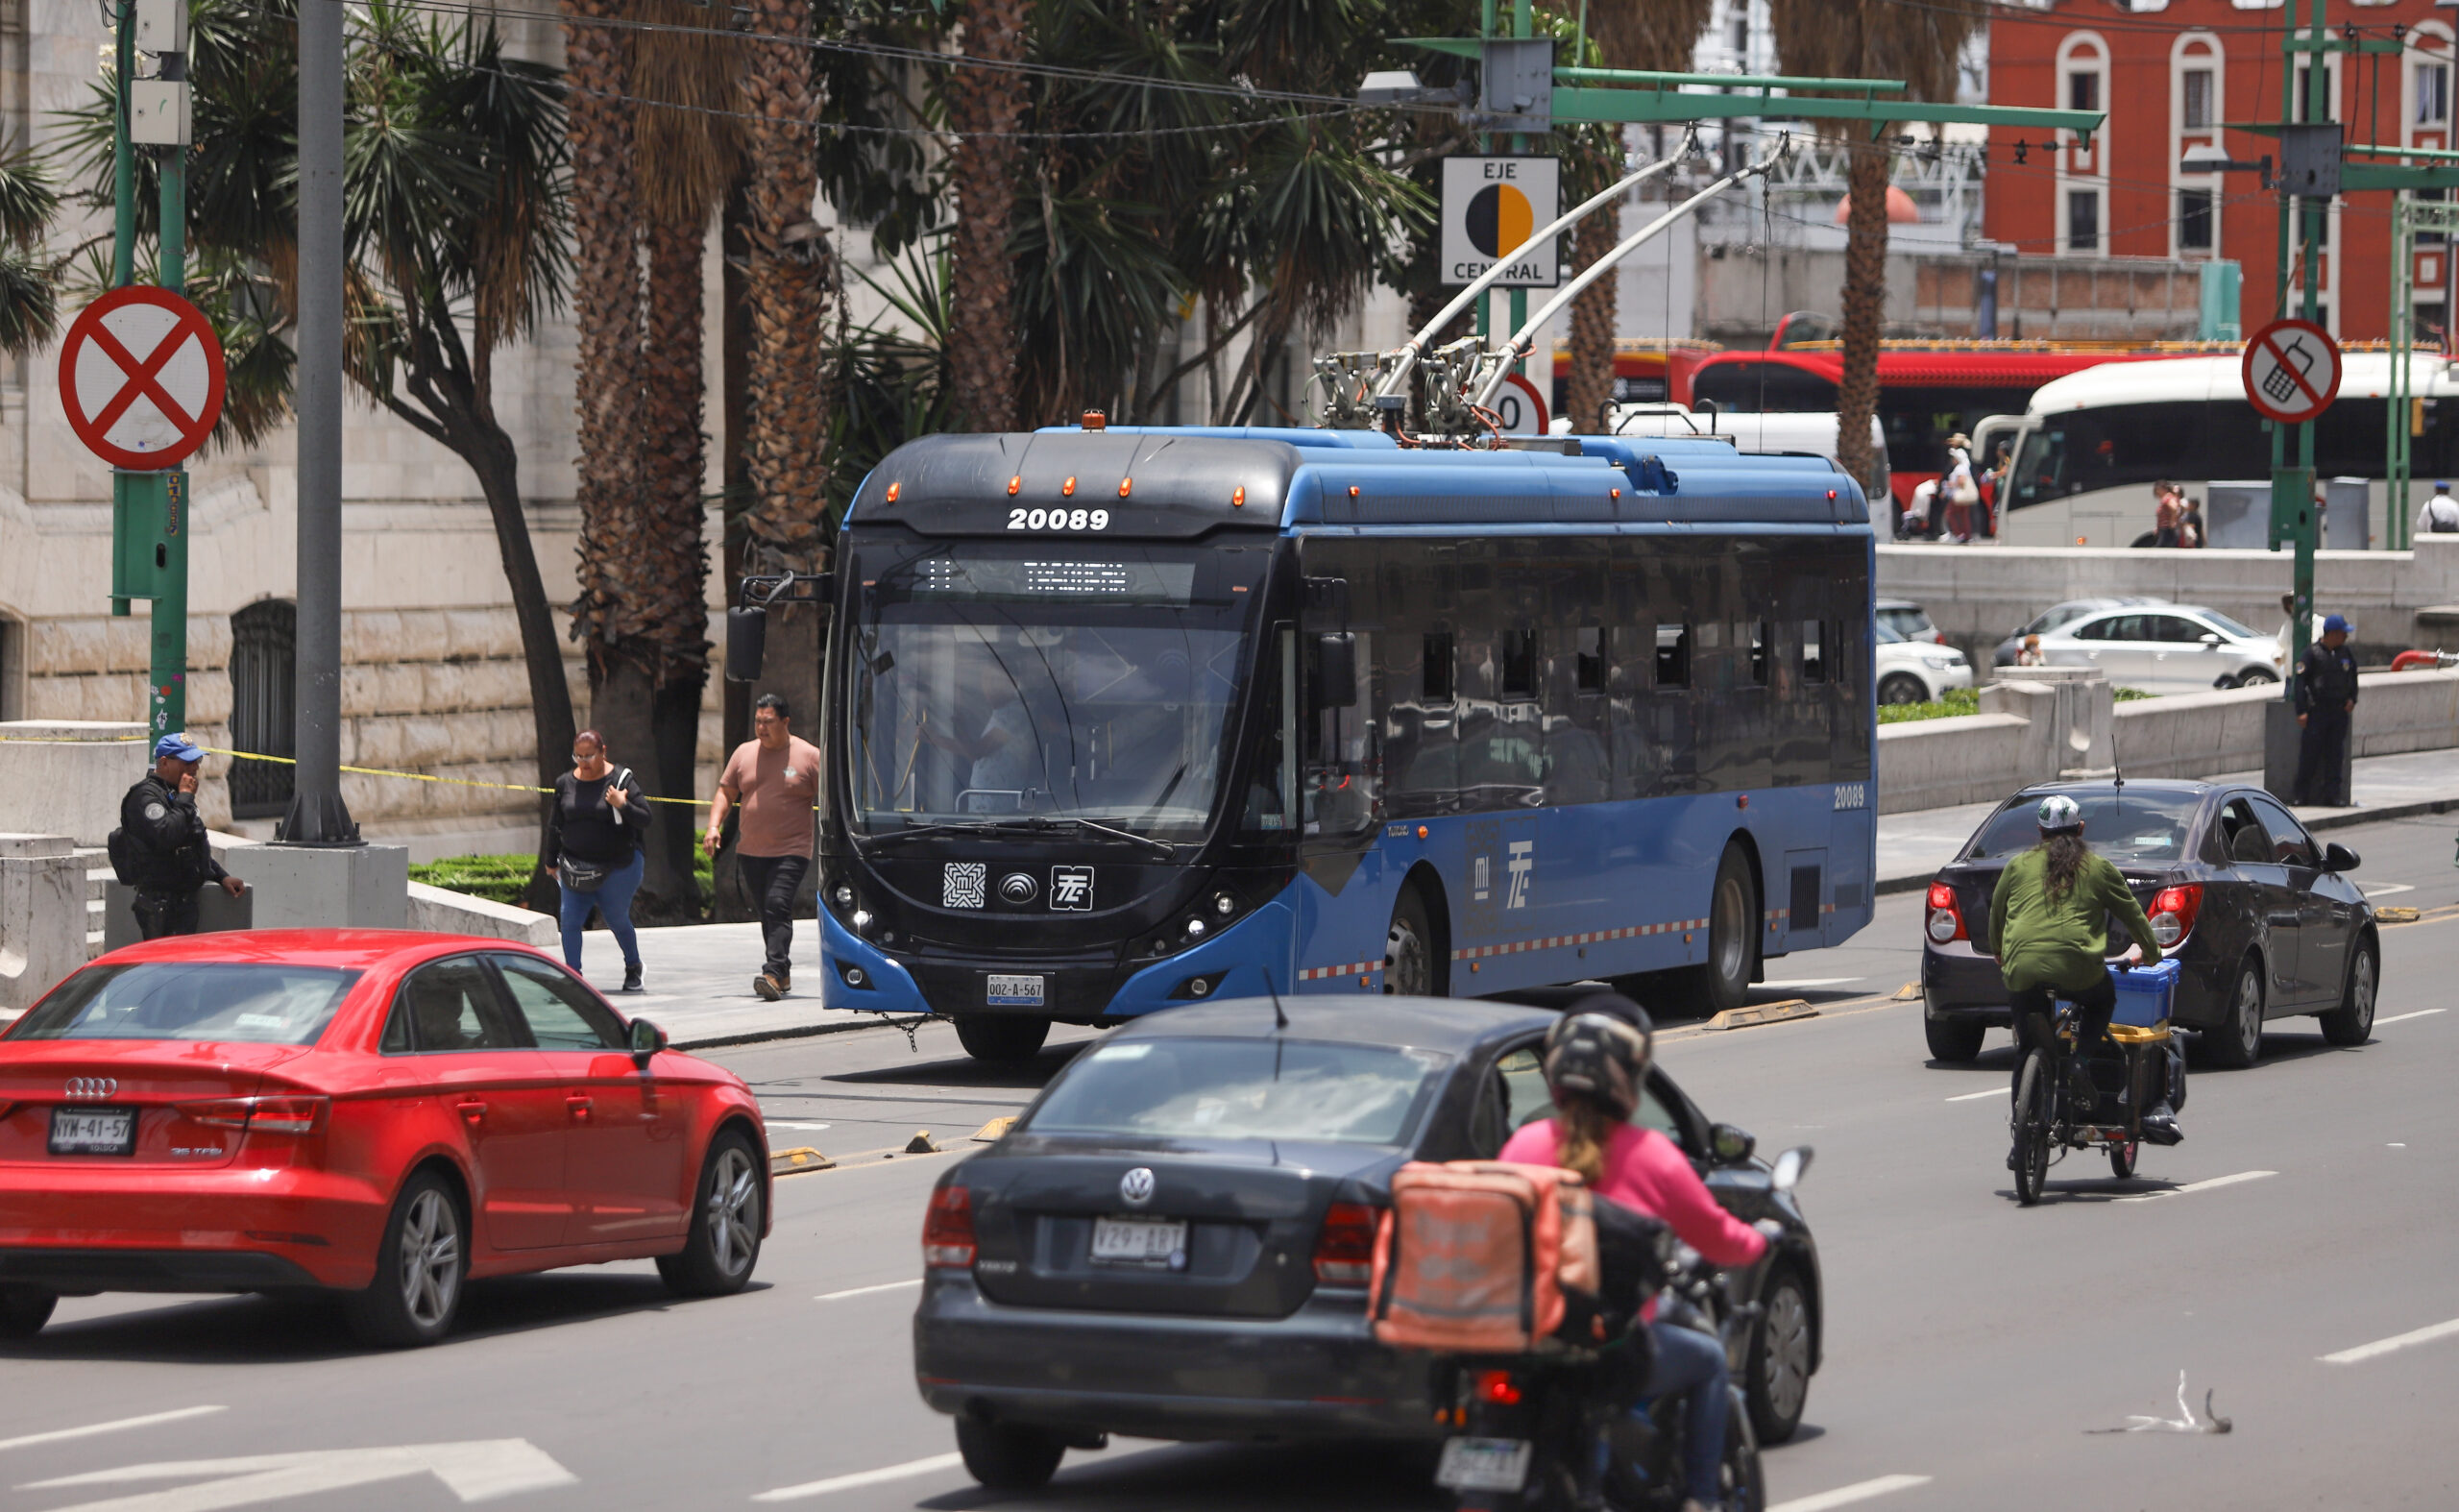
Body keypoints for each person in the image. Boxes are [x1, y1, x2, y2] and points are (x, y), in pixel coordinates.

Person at [1499, 1001, 1766, 1512]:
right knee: (1710, 1360)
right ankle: (1704, 1499)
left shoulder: (1523, 1144)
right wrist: (1759, 1241)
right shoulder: (1652, 1154)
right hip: (1607, 1346)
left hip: (1523, 1341)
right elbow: (1718, 1237)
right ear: (1629, 1079)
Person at [1986, 794, 2179, 1146]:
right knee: (2101, 1000)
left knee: (2027, 1047)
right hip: (2079, 970)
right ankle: (2080, 1061)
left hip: (2023, 969)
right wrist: (2150, 952)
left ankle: (2021, 1139)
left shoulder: (2016, 866)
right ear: (2081, 829)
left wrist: (2000, 952)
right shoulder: (2098, 867)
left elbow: (1996, 916)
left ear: (2039, 832)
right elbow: (2134, 916)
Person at [708, 693, 823, 1000]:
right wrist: (713, 827)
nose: (761, 728)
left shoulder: (809, 756)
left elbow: (831, 800)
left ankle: (771, 972)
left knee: (777, 905)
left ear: (785, 722)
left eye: (768, 722)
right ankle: (782, 973)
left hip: (793, 848)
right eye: (758, 721)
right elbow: (725, 792)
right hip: (752, 850)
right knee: (767, 912)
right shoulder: (744, 753)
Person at [546, 730, 650, 992]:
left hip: (619, 864)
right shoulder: (564, 783)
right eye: (578, 756)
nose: (583, 762)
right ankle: (573, 977)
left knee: (615, 918)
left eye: (589, 756)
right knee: (569, 920)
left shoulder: (621, 779)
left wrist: (623, 804)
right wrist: (550, 860)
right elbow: (555, 824)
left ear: (603, 751)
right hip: (575, 864)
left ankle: (633, 965)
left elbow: (645, 819)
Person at [114, 733, 244, 939]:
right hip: (159, 905)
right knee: (162, 966)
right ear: (164, 763)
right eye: (188, 762)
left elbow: (193, 845)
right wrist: (185, 799)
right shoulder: (145, 796)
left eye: (197, 761)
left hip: (185, 902)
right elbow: (165, 836)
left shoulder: (177, 796)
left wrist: (221, 876)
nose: (195, 768)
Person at [2295, 614, 2361, 807]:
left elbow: (2353, 678)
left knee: (2335, 755)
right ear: (2332, 634)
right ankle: (2301, 795)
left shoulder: (2345, 654)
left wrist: (2352, 699)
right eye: (2342, 634)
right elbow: (2300, 683)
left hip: (2338, 712)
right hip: (2317, 711)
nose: (2345, 638)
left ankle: (2333, 795)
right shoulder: (2311, 654)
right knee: (2310, 755)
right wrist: (2301, 710)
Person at [1941, 434, 1980, 544]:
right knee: (1964, 515)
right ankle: (1966, 535)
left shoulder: (1960, 467)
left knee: (1950, 513)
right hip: (1962, 494)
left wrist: (1950, 485)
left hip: (1959, 494)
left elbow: (1961, 481)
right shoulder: (1965, 464)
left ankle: (1959, 534)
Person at [1899, 477, 1936, 541]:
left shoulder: (1922, 491)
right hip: (1919, 512)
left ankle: (1904, 531)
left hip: (1919, 513)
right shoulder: (1924, 492)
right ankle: (1906, 531)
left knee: (1905, 516)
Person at [2151, 480, 2181, 549]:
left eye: (2158, 490)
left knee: (2160, 549)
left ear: (2164, 489)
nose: (2157, 492)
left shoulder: (2167, 498)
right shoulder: (2166, 498)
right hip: (2164, 529)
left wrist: (2172, 521)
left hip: (2167, 529)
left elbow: (2174, 507)